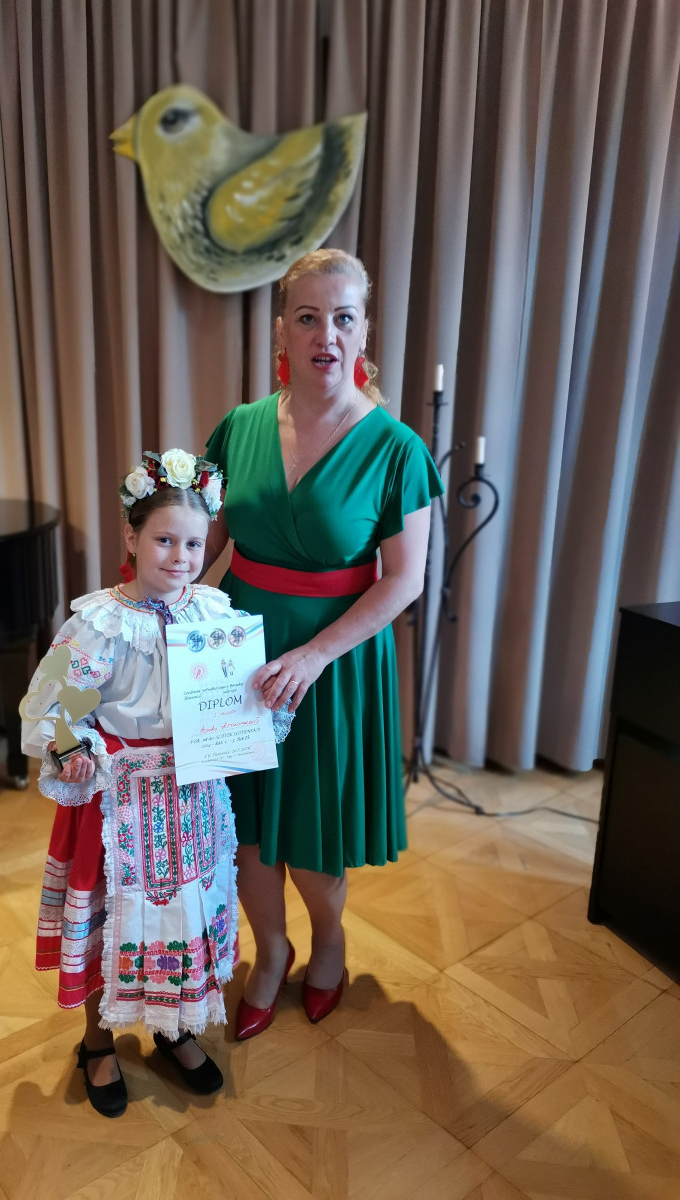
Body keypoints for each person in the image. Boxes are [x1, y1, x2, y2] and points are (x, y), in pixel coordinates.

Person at [203, 248, 443, 1039]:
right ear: (283, 329)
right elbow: (208, 547)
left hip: (334, 664)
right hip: (240, 659)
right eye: (308, 317)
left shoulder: (397, 449)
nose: (325, 335)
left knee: (311, 838)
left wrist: (312, 657)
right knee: (244, 830)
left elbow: (403, 581)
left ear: (364, 330)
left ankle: (329, 939)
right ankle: (270, 952)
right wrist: (147, 607)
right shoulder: (237, 428)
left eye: (343, 318)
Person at [21, 449, 239, 1118]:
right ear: (132, 537)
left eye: (194, 543)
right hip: (118, 803)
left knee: (184, 915)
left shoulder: (212, 614)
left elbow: (230, 699)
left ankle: (173, 1025)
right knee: (108, 920)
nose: (180, 557)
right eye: (165, 540)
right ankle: (97, 1040)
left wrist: (258, 700)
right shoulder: (103, 624)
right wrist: (72, 747)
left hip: (190, 801)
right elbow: (53, 707)